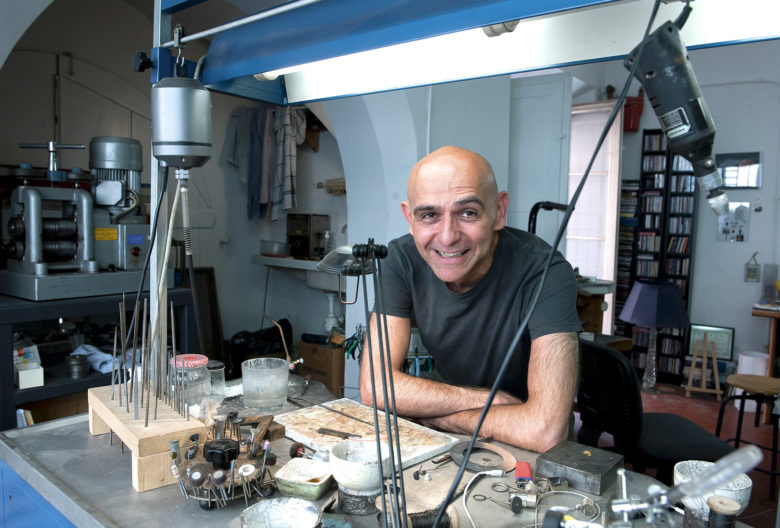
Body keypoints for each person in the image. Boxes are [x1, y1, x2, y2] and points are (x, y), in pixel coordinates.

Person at [359, 145, 581, 452]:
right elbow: (376, 388)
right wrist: (484, 401)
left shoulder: (546, 271)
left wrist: (438, 416)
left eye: (468, 213)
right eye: (429, 215)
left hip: (527, 443)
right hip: (472, 417)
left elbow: (545, 431)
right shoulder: (400, 259)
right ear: (409, 218)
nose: (448, 236)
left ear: (499, 211)